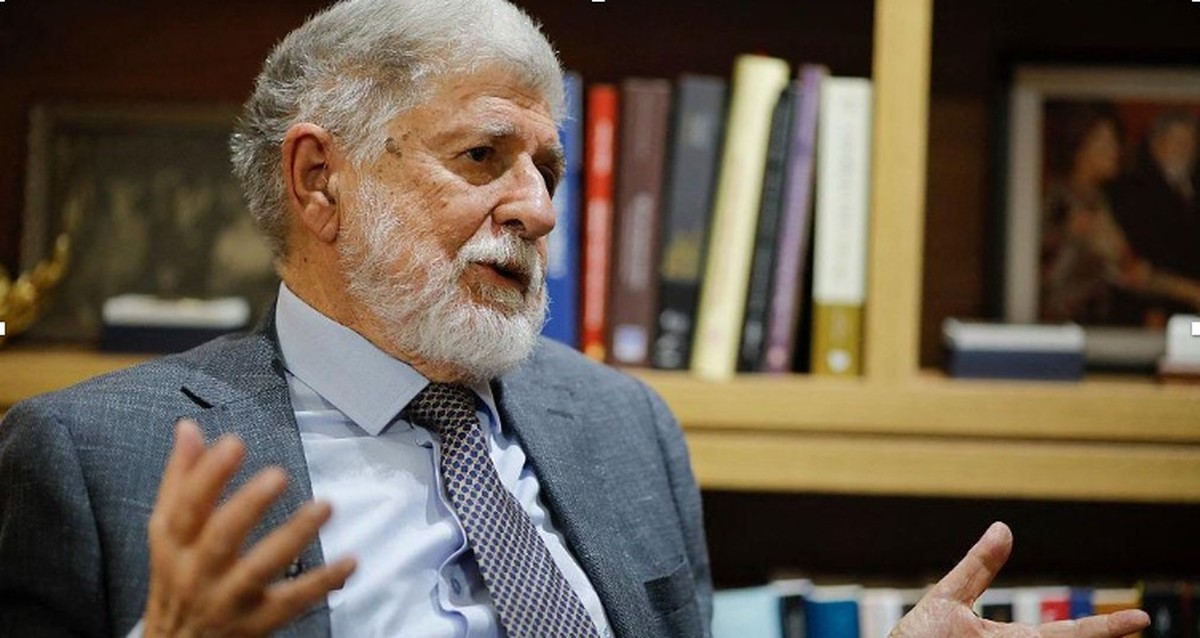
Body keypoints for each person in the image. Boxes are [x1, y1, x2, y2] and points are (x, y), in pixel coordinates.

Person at [0, 1, 1152, 637]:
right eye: (483, 157)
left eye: (549, 167)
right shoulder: (91, 457)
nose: (540, 209)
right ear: (320, 181)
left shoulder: (622, 428)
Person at [1039, 102, 1200, 324]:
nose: (1115, 149)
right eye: (1105, 142)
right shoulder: (1068, 204)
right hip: (1069, 326)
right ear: (1079, 146)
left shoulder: (1099, 198)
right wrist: (1191, 292)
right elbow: (1128, 269)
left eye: (1114, 140)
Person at [1109, 109, 1200, 323]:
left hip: (1191, 314)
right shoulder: (1134, 192)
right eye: (1176, 141)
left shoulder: (1192, 189)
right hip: (1154, 308)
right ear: (1156, 144)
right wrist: (1153, 304)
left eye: (1189, 143)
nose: (1183, 150)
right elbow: (1134, 262)